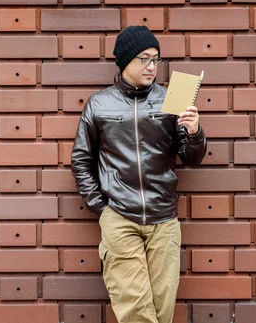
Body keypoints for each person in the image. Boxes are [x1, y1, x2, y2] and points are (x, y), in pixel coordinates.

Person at [71, 25, 207, 323]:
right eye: (144, 59)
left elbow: (191, 158)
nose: (151, 66)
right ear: (125, 61)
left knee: (161, 309)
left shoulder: (172, 96)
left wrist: (194, 131)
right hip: (120, 216)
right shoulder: (100, 104)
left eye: (155, 59)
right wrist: (102, 208)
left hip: (163, 217)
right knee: (135, 310)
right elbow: (82, 159)